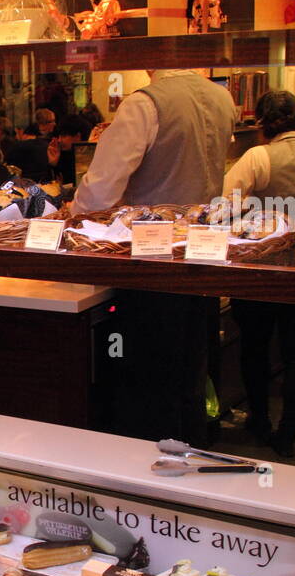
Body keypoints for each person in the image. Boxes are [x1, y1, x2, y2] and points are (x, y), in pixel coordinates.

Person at [71, 69, 239, 445]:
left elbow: (97, 193)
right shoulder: (221, 98)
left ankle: (147, 477)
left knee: (147, 379)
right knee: (191, 373)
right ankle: (191, 452)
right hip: (202, 256)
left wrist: (75, 217)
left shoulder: (145, 104)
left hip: (150, 264)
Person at [222, 91, 295, 457]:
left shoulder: (259, 156)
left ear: (263, 124)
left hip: (261, 266)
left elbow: (225, 203)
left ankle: (259, 419)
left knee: (254, 344)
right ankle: (288, 433)